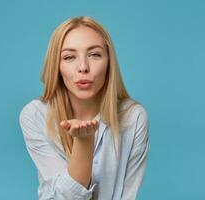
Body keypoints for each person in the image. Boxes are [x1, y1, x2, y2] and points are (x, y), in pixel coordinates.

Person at [19, 16, 150, 200]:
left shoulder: (133, 117)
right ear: (57, 66)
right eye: (69, 57)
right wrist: (84, 143)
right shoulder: (35, 115)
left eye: (95, 54)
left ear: (109, 63)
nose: (83, 67)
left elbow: (127, 195)